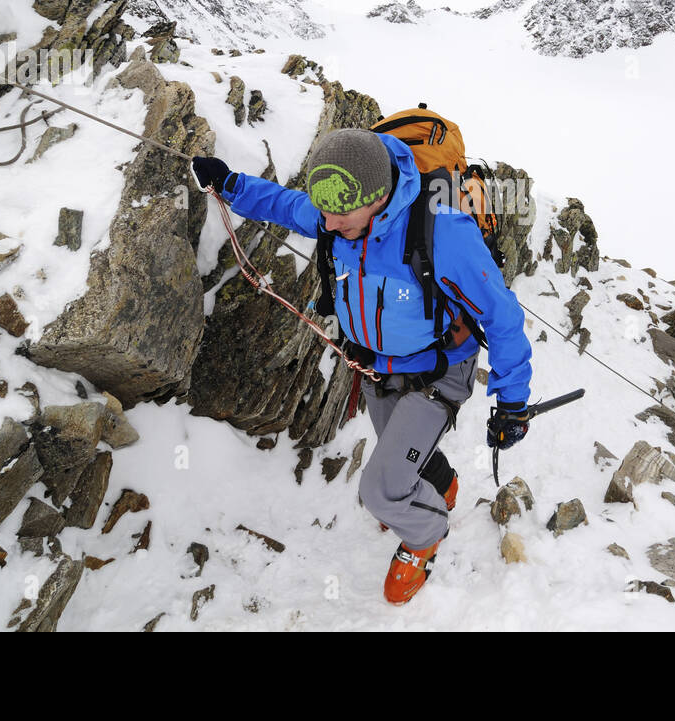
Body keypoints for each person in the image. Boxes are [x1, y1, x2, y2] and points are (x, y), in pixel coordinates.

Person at [192, 128, 533, 605]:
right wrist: (230, 185)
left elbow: (501, 316)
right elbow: (286, 205)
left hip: (438, 373)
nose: (326, 225)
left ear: (378, 199)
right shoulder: (339, 211)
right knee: (399, 451)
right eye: (324, 213)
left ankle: (426, 533)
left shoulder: (443, 231)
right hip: (375, 367)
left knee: (379, 491)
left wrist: (513, 401)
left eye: (338, 216)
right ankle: (439, 482)